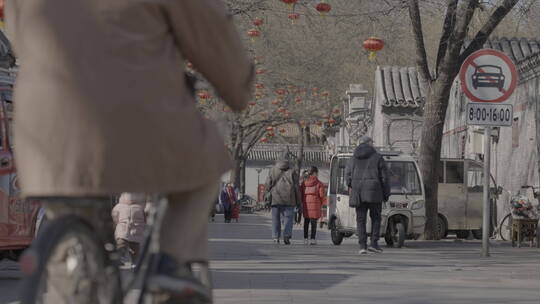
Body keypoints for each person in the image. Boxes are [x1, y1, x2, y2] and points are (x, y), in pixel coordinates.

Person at [5, 0, 253, 301]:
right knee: (205, 162)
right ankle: (170, 264)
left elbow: (19, 35)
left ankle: (71, 273)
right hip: (138, 119)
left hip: (43, 131)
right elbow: (215, 40)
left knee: (68, 231)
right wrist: (238, 87)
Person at [346, 136, 390, 255]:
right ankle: (374, 244)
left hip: (358, 192)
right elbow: (385, 178)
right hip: (375, 192)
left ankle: (362, 246)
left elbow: (347, 176)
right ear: (369, 144)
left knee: (361, 220)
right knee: (376, 218)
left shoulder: (353, 158)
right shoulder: (378, 157)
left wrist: (353, 185)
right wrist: (386, 194)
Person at [264, 159, 301, 245]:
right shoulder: (292, 171)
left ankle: (276, 237)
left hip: (275, 198)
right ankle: (287, 236)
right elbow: (296, 187)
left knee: (275, 219)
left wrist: (266, 197)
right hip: (289, 199)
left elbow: (267, 185)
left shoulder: (272, 170)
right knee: (288, 219)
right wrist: (298, 201)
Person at [111, 193, 147, 266]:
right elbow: (145, 220)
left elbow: (114, 216)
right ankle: (134, 262)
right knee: (135, 248)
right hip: (136, 233)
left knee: (120, 244)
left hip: (122, 231)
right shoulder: (140, 208)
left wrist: (116, 223)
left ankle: (121, 258)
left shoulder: (118, 207)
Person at [301, 166, 326, 245]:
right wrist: (321, 203)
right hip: (315, 205)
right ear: (315, 173)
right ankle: (312, 239)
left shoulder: (304, 183)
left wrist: (303, 202)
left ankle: (305, 239)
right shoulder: (319, 183)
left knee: (306, 222)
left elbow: (301, 193)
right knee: (313, 223)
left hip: (306, 205)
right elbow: (321, 195)